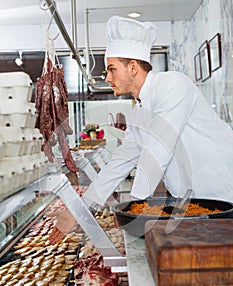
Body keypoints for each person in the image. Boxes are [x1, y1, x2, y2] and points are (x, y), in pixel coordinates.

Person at [50, 15, 233, 234]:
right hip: (192, 206)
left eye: (112, 69)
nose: (107, 78)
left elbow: (157, 151)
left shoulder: (173, 85)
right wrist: (79, 211)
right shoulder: (140, 111)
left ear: (133, 68)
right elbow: (120, 162)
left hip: (222, 197)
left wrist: (132, 212)